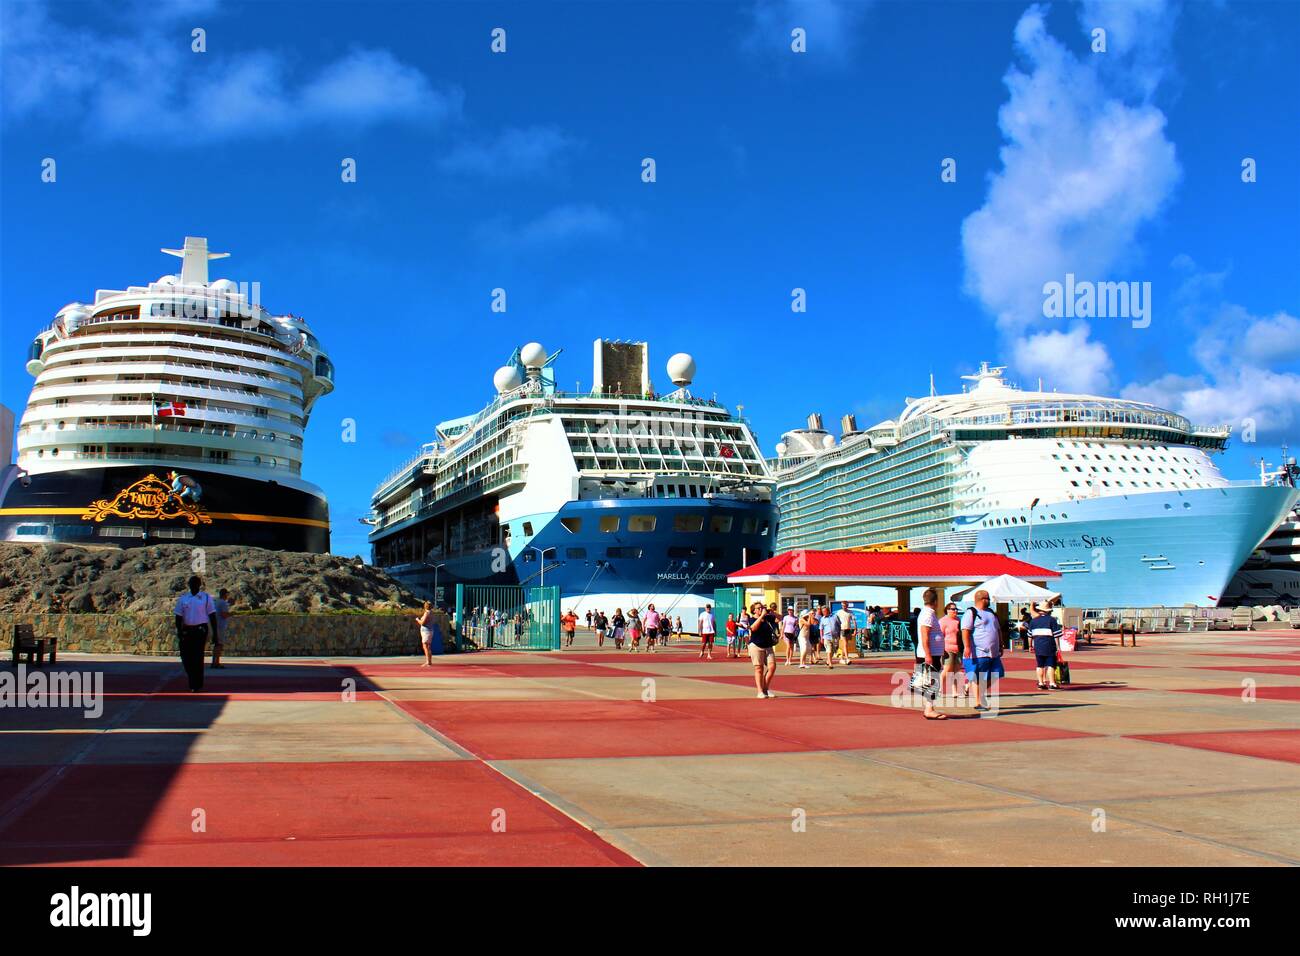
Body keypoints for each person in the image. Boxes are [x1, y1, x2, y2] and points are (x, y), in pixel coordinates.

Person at [961, 589, 1004, 711]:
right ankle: (979, 702)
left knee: (995, 674)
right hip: (978, 652)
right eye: (988, 598)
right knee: (978, 677)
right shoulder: (971, 612)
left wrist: (1001, 644)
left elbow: (998, 630)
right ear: (982, 599)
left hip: (993, 652)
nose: (989, 601)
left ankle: (978, 693)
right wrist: (967, 646)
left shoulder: (991, 613)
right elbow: (965, 630)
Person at [173, 575, 218, 692]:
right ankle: (192, 677)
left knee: (198, 657)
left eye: (196, 583)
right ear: (188, 585)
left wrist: (215, 634)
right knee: (185, 656)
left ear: (199, 585)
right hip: (187, 630)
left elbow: (212, 616)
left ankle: (196, 684)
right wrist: (179, 631)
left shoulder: (206, 598)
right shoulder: (183, 599)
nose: (193, 585)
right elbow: (178, 616)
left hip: (200, 630)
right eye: (191, 583)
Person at [916, 588, 945, 720]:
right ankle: (929, 709)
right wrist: (928, 654)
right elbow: (925, 635)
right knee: (932, 681)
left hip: (932, 653)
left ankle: (929, 707)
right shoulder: (928, 614)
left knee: (930, 681)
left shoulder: (928, 613)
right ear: (936, 601)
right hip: (930, 654)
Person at [748, 603, 780, 698]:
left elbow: (780, 618)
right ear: (754, 610)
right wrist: (761, 615)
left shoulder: (767, 618)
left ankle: (765, 688)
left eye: (762, 607)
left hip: (768, 646)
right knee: (759, 668)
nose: (761, 609)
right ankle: (760, 691)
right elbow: (753, 628)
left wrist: (772, 612)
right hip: (756, 645)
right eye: (759, 608)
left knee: (772, 667)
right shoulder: (752, 619)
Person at [1029, 602, 1063, 690]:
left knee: (1040, 665)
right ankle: (1052, 683)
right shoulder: (1052, 620)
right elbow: (1056, 635)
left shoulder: (1033, 621)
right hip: (1049, 645)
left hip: (1038, 646)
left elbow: (1029, 635)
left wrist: (1030, 646)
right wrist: (1058, 647)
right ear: (1048, 611)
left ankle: (1041, 683)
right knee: (1051, 665)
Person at [939, 601, 964, 701]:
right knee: (947, 670)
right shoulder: (943, 621)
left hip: (958, 648)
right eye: (953, 609)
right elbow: (940, 636)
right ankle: (940, 689)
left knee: (956, 670)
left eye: (956, 609)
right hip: (947, 648)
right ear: (947, 610)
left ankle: (954, 691)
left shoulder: (959, 620)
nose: (955, 611)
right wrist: (941, 649)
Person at [211, 588, 231, 668]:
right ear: (225, 594)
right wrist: (230, 614)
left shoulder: (216, 602)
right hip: (220, 626)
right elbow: (224, 614)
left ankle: (214, 661)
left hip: (216, 625)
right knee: (219, 644)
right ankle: (217, 662)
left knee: (216, 644)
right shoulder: (223, 603)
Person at [416, 600, 437, 665]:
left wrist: (417, 620)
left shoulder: (427, 613)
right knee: (428, 646)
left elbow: (422, 623)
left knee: (425, 646)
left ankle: (428, 661)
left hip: (426, 631)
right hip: (430, 630)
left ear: (425, 606)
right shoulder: (432, 613)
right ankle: (429, 661)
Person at [835, 601, 856, 666]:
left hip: (848, 629)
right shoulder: (839, 612)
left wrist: (855, 629)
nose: (844, 607)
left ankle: (841, 658)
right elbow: (836, 621)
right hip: (842, 629)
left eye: (845, 605)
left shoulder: (850, 612)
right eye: (843, 605)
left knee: (845, 645)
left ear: (847, 605)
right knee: (845, 644)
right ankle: (847, 658)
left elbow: (854, 621)